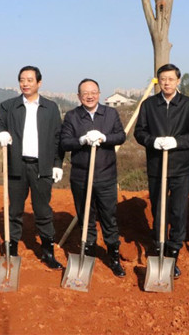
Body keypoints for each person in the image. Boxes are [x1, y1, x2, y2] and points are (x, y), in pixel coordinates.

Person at [0, 66, 65, 270]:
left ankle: (48, 251)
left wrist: (57, 164)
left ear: (39, 83)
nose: (25, 83)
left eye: (30, 80)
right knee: (14, 210)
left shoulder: (51, 108)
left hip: (42, 167)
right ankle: (12, 249)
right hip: (16, 165)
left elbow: (58, 137)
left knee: (43, 210)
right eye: (22, 80)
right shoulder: (9, 106)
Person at [134, 64, 189, 278]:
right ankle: (159, 247)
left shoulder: (188, 105)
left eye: (171, 79)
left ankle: (173, 252)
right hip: (157, 167)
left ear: (178, 81)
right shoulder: (149, 105)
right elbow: (139, 132)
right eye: (163, 79)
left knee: (178, 211)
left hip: (181, 167)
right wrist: (153, 141)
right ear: (158, 81)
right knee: (159, 209)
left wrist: (177, 142)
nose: (167, 83)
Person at [60, 79, 126, 277]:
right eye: (85, 93)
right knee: (85, 217)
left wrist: (104, 138)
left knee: (108, 217)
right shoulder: (72, 116)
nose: (89, 96)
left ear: (99, 94)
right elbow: (64, 142)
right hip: (81, 176)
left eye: (93, 92)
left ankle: (114, 256)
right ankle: (88, 254)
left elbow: (121, 136)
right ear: (79, 96)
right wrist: (81, 140)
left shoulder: (110, 113)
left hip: (106, 176)